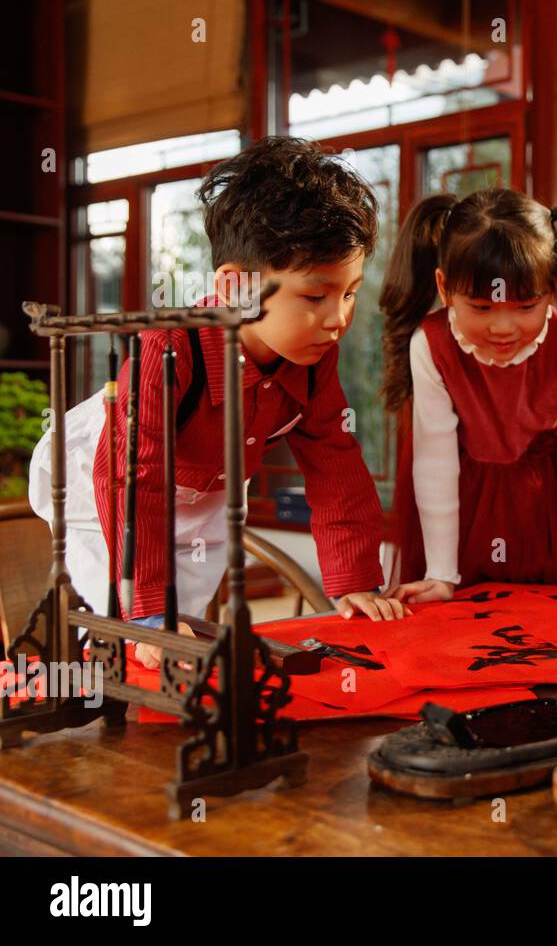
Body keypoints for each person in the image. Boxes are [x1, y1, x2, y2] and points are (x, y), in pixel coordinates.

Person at [30, 136, 409, 668]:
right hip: (100, 481)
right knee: (121, 629)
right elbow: (131, 476)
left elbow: (335, 464)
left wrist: (355, 583)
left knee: (183, 633)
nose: (338, 318)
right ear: (236, 288)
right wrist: (144, 614)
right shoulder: (169, 348)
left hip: (202, 484)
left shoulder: (312, 356)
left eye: (349, 293)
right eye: (315, 296)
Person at [381, 188, 557, 602]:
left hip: (550, 505)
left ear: (554, 287)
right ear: (444, 288)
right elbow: (435, 457)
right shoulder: (430, 343)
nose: (504, 328)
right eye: (482, 308)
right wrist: (440, 574)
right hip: (461, 504)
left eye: (526, 306)